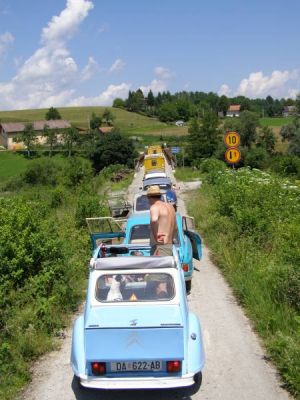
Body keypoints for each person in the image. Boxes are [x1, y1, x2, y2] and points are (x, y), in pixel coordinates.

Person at [147, 185, 176, 256]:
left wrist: (156, 237)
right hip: (170, 245)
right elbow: (175, 227)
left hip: (160, 247)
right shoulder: (170, 207)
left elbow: (154, 220)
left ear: (148, 197)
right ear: (160, 196)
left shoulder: (154, 207)